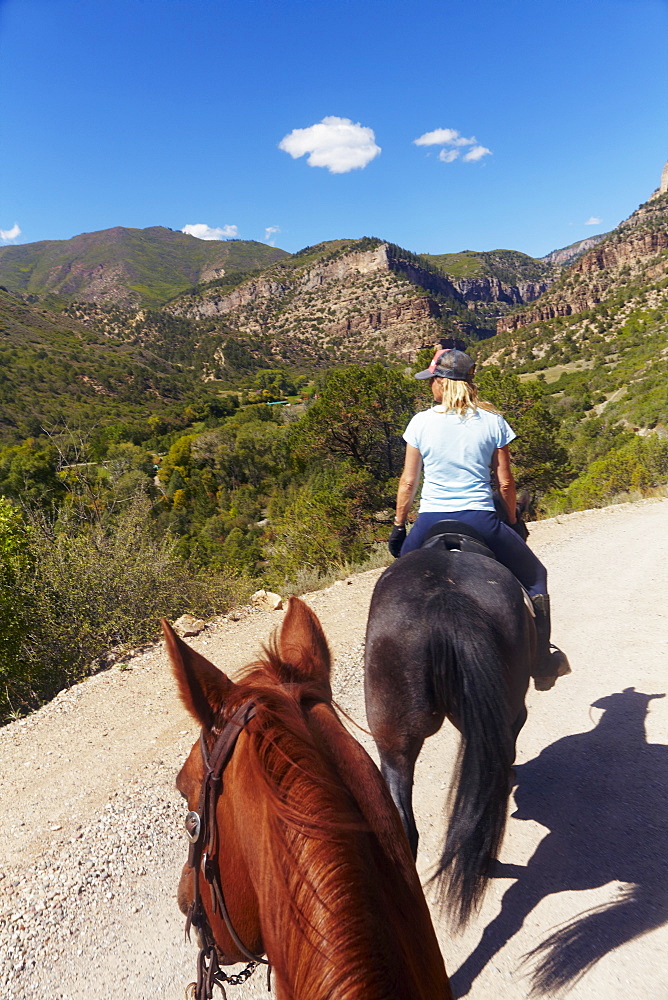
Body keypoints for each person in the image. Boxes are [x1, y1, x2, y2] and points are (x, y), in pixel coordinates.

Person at [388, 347, 569, 690]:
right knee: (535, 577)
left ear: (442, 383)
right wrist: (513, 521)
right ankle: (542, 661)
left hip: (430, 520)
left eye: (433, 381)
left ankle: (388, 661)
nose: (431, 387)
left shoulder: (420, 423)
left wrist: (399, 525)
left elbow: (408, 482)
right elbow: (505, 482)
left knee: (394, 581)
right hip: (481, 520)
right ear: (470, 382)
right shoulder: (494, 422)